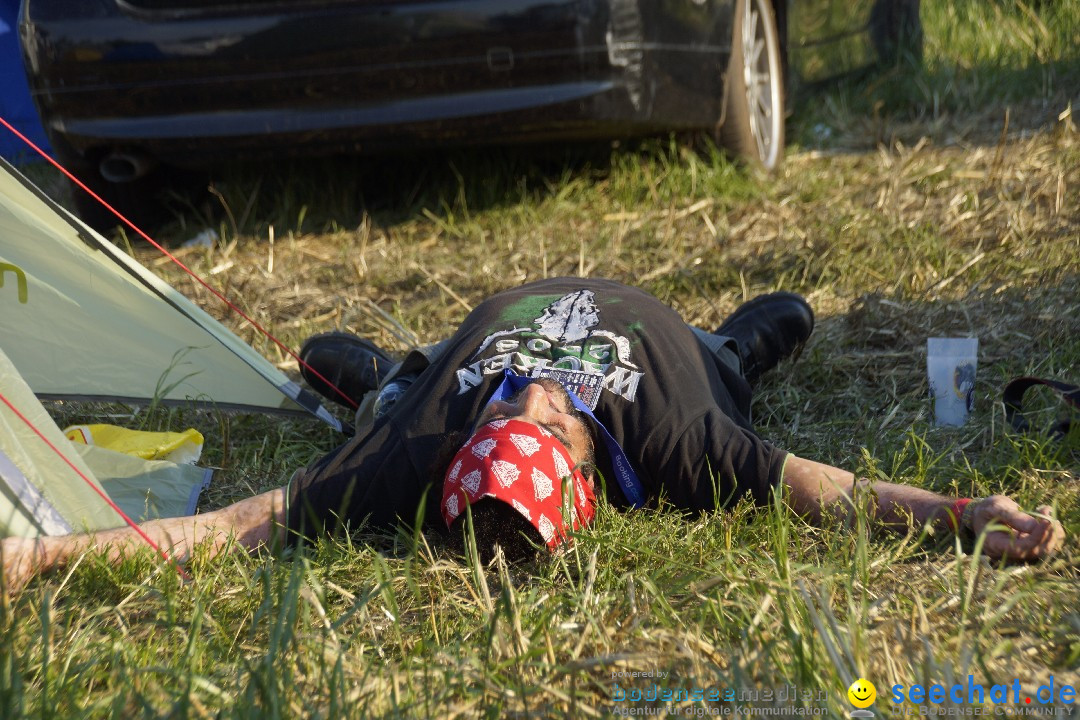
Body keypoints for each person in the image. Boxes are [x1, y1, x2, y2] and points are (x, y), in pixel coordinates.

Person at [0, 279, 1065, 593]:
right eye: (535, 420)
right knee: (764, 334)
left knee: (372, 378)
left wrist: (36, 555)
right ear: (585, 469)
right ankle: (743, 337)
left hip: (434, 368)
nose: (528, 399)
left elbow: (242, 522)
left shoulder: (419, 442)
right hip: (683, 347)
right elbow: (831, 488)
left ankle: (382, 373)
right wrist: (972, 514)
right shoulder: (682, 438)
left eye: (516, 414)